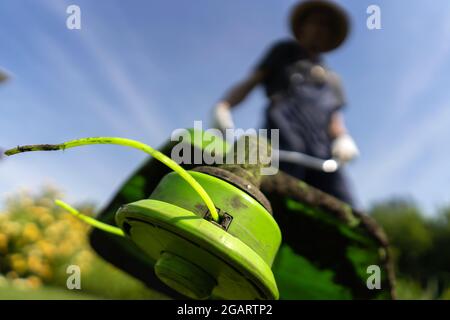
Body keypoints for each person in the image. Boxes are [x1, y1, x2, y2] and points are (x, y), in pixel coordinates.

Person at [212, 0, 359, 206]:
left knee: (345, 209)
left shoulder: (333, 79)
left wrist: (343, 138)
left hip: (322, 159)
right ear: (302, 27)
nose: (320, 30)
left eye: (326, 26)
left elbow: (334, 118)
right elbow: (250, 83)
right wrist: (224, 105)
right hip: (281, 149)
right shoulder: (283, 53)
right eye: (315, 23)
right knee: (272, 202)